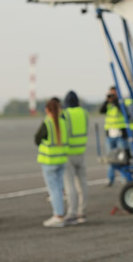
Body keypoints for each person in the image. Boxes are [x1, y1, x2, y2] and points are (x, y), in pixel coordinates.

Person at [34, 97, 68, 227]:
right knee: (58, 189)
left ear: (47, 110)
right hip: (62, 160)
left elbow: (37, 139)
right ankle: (60, 214)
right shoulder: (63, 122)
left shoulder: (47, 123)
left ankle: (58, 216)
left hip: (49, 162)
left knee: (54, 190)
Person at [62, 91, 89, 225]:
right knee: (82, 183)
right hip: (81, 152)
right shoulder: (84, 113)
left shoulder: (65, 114)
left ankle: (71, 212)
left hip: (68, 153)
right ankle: (82, 211)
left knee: (70, 185)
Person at [99, 86, 129, 186]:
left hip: (120, 134)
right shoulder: (108, 104)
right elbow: (101, 110)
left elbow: (125, 112)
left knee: (122, 157)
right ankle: (110, 178)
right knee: (110, 157)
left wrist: (116, 100)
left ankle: (124, 178)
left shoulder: (121, 102)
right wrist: (107, 100)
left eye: (114, 94)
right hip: (110, 134)